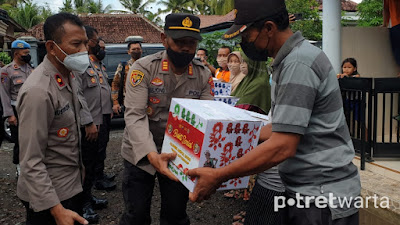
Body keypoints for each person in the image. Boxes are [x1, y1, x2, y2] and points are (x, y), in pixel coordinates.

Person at [188, 1, 361, 225]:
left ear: (269, 28)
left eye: (246, 35)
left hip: (321, 197)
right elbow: (280, 127)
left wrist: (220, 175)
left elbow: (283, 145)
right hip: (308, 191)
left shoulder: (298, 64)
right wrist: (222, 136)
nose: (243, 44)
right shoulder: (289, 60)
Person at [120, 13, 214, 225]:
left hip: (180, 155)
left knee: (176, 214)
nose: (186, 48)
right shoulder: (143, 68)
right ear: (164, 39)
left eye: (191, 43)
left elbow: (210, 116)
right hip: (141, 152)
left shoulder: (202, 74)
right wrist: (152, 154)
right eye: (179, 42)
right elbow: (135, 115)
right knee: (136, 214)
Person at [16, 12, 89, 225]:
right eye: (76, 44)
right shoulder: (38, 91)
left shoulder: (69, 75)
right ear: (51, 47)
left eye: (85, 43)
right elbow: (30, 160)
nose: (84, 50)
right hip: (49, 199)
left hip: (70, 185)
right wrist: (56, 210)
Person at [76, 25, 115, 224]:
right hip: (89, 124)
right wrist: (87, 121)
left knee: (93, 162)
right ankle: (82, 204)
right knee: (85, 164)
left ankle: (88, 196)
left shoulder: (97, 65)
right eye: (94, 40)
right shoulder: (81, 65)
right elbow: (78, 95)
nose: (98, 44)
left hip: (101, 120)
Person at [0, 40, 33, 176]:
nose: (27, 56)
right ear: (16, 53)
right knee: (20, 141)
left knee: (32, 139)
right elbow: (4, 95)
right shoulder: (6, 71)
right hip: (16, 110)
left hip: (31, 110)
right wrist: (10, 115)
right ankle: (20, 168)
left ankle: (31, 166)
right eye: (25, 53)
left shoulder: (31, 69)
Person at [111, 40, 143, 115]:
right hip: (129, 103)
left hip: (144, 103)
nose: (136, 51)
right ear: (129, 52)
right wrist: (115, 103)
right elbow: (115, 84)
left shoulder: (147, 66)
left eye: (138, 49)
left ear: (141, 51)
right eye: (133, 49)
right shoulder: (123, 67)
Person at [383, 0, 400, 77]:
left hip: (396, 23)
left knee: (397, 48)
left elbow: (386, 9)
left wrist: (385, 23)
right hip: (395, 23)